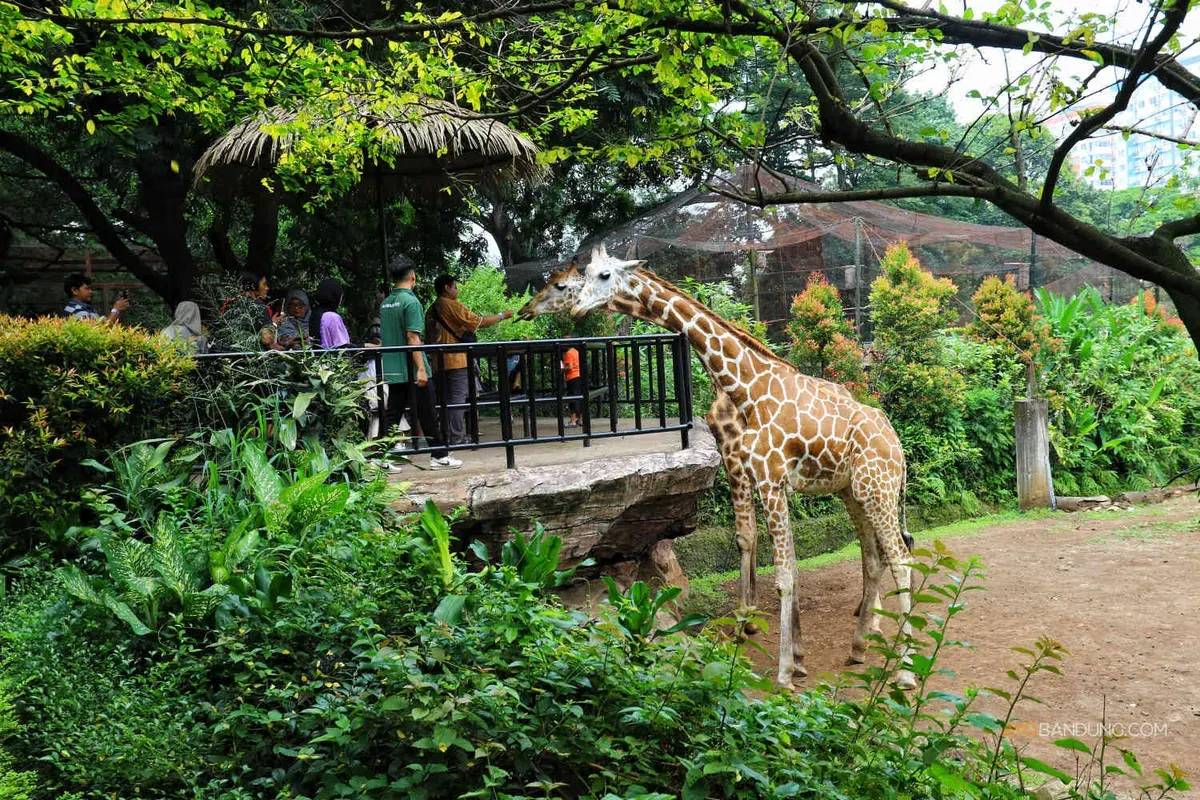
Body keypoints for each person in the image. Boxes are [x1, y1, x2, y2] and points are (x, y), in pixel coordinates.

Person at [380, 257, 460, 470]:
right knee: (427, 412)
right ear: (413, 276)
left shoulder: (386, 303)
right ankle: (439, 455)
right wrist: (422, 368)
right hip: (413, 368)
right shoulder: (411, 302)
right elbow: (412, 338)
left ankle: (382, 455)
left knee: (393, 414)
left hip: (394, 368)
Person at [426, 274, 514, 445]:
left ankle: (446, 436)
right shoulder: (451, 305)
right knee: (457, 399)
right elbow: (479, 322)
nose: (457, 291)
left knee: (444, 401)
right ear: (447, 287)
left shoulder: (432, 309)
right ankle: (456, 438)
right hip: (456, 360)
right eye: (455, 287)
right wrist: (502, 315)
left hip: (438, 361)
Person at [63, 274, 129, 323]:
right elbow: (100, 331)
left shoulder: (87, 308)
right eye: (87, 288)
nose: (91, 291)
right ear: (74, 290)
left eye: (91, 289)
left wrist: (119, 309)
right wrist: (116, 309)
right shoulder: (75, 310)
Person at [309, 279, 351, 349]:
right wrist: (365, 346)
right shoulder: (332, 317)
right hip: (332, 357)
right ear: (336, 295)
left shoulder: (314, 312)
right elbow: (342, 347)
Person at [562, 343, 583, 427]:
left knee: (572, 397)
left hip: (572, 377)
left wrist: (561, 369)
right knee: (580, 397)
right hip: (580, 376)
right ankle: (580, 420)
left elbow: (570, 367)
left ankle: (573, 420)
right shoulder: (576, 352)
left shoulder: (568, 353)